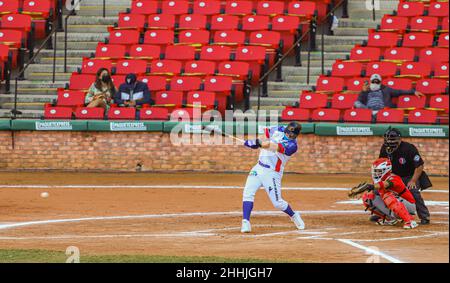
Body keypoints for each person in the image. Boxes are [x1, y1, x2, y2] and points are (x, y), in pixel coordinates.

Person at [240, 122, 305, 233]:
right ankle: (245, 222)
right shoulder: (279, 128)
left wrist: (257, 143)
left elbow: (272, 146)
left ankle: (294, 215)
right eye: (289, 133)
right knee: (248, 193)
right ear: (286, 130)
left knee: (277, 203)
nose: (289, 136)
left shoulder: (292, 146)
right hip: (258, 167)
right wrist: (255, 141)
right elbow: (264, 135)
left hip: (272, 173)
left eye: (292, 135)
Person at [379, 128, 432, 225]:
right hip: (394, 176)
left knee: (413, 191)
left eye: (393, 140)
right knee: (379, 190)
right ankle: (382, 214)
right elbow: (382, 164)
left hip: (410, 176)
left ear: (399, 139)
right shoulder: (384, 148)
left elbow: (419, 166)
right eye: (388, 140)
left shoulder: (409, 148)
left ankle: (425, 216)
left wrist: (413, 180)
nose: (390, 142)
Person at [349, 158, 418, 229]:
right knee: (368, 198)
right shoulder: (379, 180)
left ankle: (410, 221)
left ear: (387, 170)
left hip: (409, 205)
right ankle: (390, 219)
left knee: (387, 195)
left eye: (379, 171)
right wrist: (362, 192)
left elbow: (385, 184)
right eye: (375, 171)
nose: (376, 173)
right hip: (396, 204)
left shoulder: (394, 178)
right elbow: (374, 191)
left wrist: (368, 186)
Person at [354, 74, 424, 114]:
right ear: (370, 82)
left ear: (380, 82)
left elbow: (399, 92)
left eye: (377, 81)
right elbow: (360, 101)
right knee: (356, 103)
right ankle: (371, 112)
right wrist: (363, 91)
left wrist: (413, 91)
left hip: (382, 110)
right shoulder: (366, 90)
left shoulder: (386, 89)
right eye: (373, 81)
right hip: (369, 110)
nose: (375, 83)